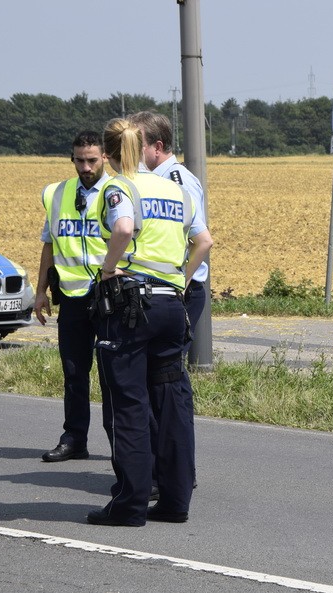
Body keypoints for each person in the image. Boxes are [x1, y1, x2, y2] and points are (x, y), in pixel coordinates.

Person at [86, 118, 196, 527]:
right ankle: (175, 501)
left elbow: (124, 227)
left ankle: (129, 505)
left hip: (133, 305)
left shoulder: (121, 186)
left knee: (129, 403)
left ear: (110, 155)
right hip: (172, 303)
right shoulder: (176, 189)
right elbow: (201, 240)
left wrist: (108, 268)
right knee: (172, 403)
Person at [128, 110, 212, 498]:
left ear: (157, 147)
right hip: (166, 291)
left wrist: (176, 279)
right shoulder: (153, 179)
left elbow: (201, 239)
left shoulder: (175, 180)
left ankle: (177, 472)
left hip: (176, 292)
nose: (130, 151)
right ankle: (170, 471)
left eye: (137, 144)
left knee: (168, 386)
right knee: (162, 385)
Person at [34, 131, 110, 463]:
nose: (85, 166)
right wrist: (39, 291)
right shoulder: (56, 193)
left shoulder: (116, 191)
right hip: (72, 294)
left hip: (109, 294)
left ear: (105, 157)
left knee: (113, 375)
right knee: (74, 370)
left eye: (92, 159)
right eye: (79, 159)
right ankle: (75, 438)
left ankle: (122, 443)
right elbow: (49, 244)